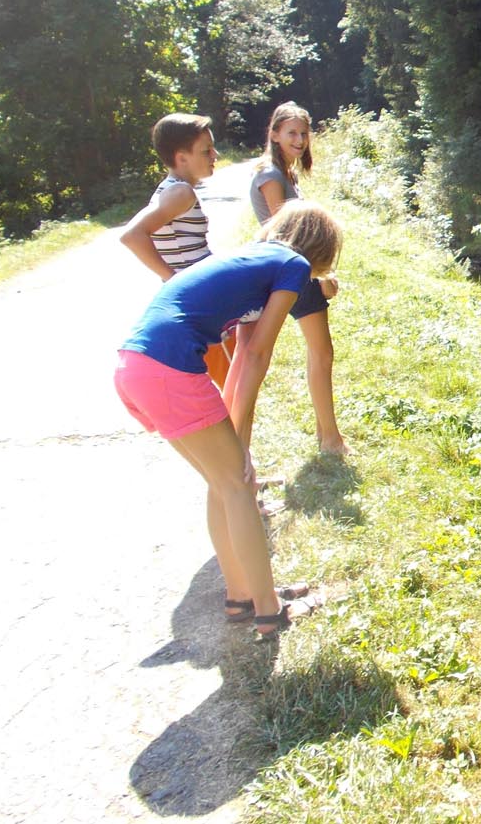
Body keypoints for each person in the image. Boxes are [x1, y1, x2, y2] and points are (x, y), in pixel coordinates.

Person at [113, 200, 343, 637]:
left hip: (134, 367)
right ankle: (269, 611)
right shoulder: (293, 265)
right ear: (320, 247)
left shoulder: (252, 260)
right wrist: (241, 439)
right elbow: (256, 354)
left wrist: (239, 436)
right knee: (238, 484)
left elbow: (241, 354)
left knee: (224, 485)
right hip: (168, 368)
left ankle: (243, 595)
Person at [247, 102, 347, 454]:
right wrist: (321, 276)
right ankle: (331, 439)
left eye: (304, 133)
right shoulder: (271, 176)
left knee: (321, 353)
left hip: (299, 268)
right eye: (291, 133)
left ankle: (325, 433)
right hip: (293, 271)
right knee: (322, 353)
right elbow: (284, 235)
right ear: (274, 134)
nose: (300, 140)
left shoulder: (286, 173)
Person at [118, 114, 240, 385]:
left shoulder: (172, 190)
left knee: (228, 383)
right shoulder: (180, 192)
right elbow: (132, 236)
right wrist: (174, 280)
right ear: (181, 157)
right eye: (206, 151)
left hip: (202, 301)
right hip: (202, 304)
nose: (215, 155)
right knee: (233, 386)